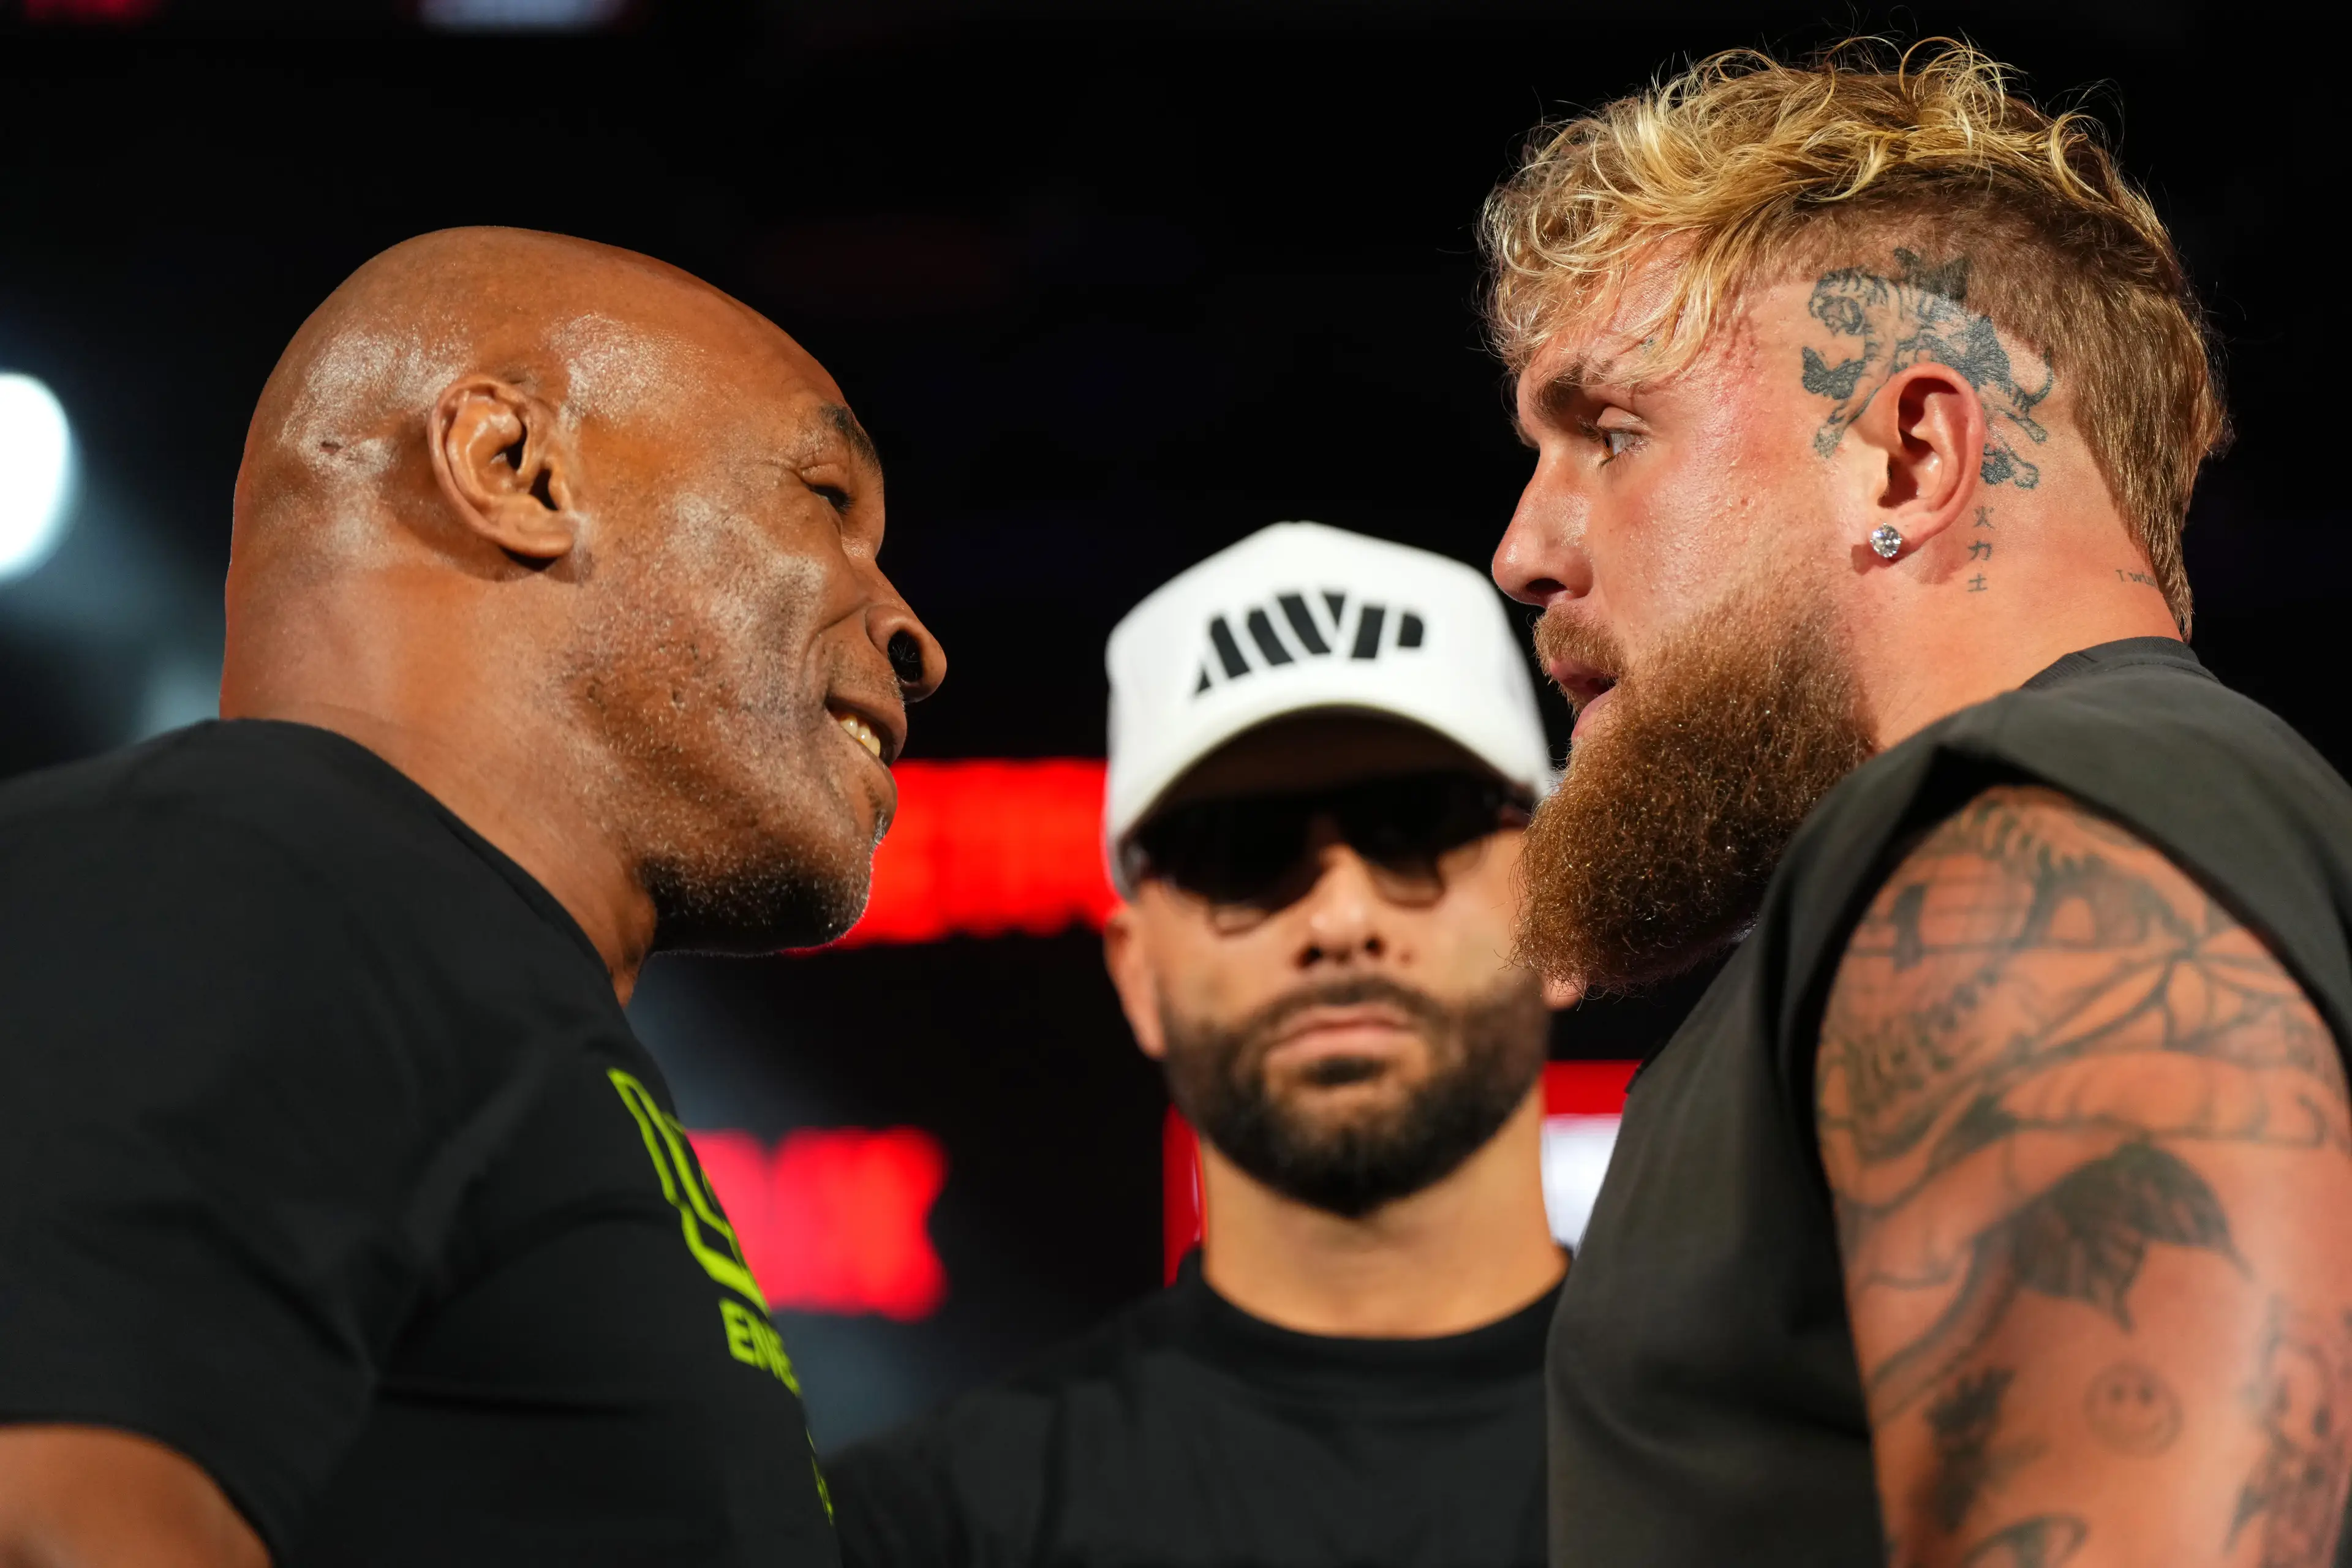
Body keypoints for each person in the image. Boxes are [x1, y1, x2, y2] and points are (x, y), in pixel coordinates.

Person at [1482, 39, 2352, 1568]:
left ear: (1910, 452)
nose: (1524, 548)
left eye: (1611, 433)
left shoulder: (2027, 854)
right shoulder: (2063, 836)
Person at [0, 227, 943, 1568]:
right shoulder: (244, 862)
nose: (915, 630)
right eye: (823, 500)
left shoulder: (445, 967)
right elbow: (45, 1521)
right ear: (514, 468)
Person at [829, 521, 1564, 1568]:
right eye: (1242, 852)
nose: (1339, 917)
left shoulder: (1793, 1459)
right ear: (1137, 975)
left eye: (1419, 824)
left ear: (1561, 913)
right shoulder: (923, 1533)